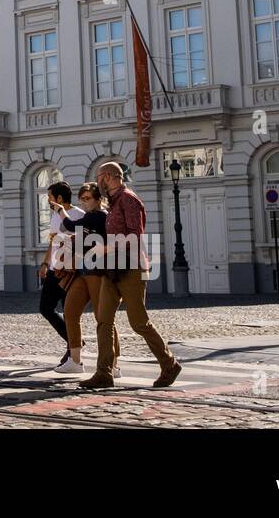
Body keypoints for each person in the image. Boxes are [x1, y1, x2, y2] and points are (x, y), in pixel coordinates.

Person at [80, 162, 182, 390]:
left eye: (99, 178)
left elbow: (135, 236)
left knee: (139, 322)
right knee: (103, 321)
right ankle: (104, 372)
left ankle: (169, 364)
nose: (98, 183)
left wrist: (105, 248)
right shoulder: (113, 203)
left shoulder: (129, 200)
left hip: (132, 268)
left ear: (107, 177)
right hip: (112, 269)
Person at [56, 182, 120, 376]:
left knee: (103, 317)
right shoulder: (89, 217)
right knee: (70, 311)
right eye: (82, 199)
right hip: (83, 271)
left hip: (98, 272)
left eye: (87, 199)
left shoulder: (99, 216)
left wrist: (60, 211)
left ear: (98, 199)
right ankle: (75, 361)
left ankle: (114, 364)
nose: (84, 202)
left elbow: (69, 225)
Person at [39, 181, 85, 366]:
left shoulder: (79, 215)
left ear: (59, 198)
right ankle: (73, 341)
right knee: (45, 308)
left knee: (69, 313)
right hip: (53, 270)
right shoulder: (55, 217)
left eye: (50, 197)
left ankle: (72, 351)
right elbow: (53, 242)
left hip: (71, 272)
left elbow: (83, 245)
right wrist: (45, 262)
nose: (48, 201)